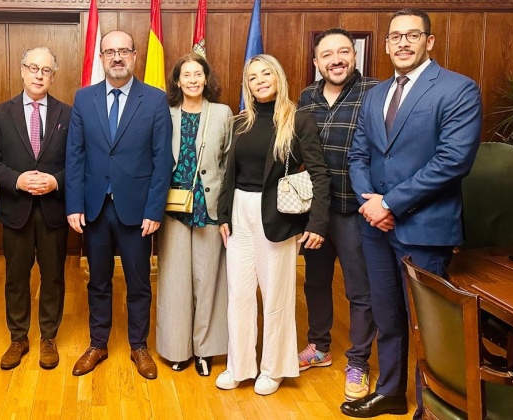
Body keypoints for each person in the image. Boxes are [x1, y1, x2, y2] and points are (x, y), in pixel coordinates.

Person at [341, 8, 482, 418]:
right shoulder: (375, 93)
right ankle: (390, 392)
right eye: (395, 37)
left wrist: (390, 203)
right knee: (387, 316)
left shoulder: (457, 89)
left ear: (429, 41)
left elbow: (452, 161)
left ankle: (431, 407)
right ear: (385, 44)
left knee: (428, 325)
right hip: (375, 228)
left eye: (412, 36)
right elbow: (359, 154)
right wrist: (371, 201)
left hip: (424, 229)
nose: (402, 43)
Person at [215, 54, 330, 396]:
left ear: (279, 78)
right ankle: (239, 366)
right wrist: (222, 216)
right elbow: (227, 175)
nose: (260, 80)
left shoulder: (299, 120)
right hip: (239, 215)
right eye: (253, 77)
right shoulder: (239, 123)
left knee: (276, 297)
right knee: (238, 296)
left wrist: (318, 223)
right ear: (247, 86)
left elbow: (319, 174)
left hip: (277, 217)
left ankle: (274, 368)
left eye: (267, 74)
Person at [65, 30, 173, 380]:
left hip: (137, 210)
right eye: (109, 51)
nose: (116, 57)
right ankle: (98, 344)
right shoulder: (84, 99)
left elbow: (162, 161)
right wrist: (73, 204)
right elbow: (75, 155)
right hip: (94, 207)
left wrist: (154, 210)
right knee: (98, 280)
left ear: (135, 55)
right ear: (100, 57)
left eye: (123, 51)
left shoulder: (155, 100)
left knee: (139, 282)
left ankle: (138, 346)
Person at [297, 28, 379, 401]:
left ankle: (359, 361)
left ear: (354, 55)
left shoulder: (375, 93)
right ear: (316, 62)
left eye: (343, 51)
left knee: (360, 290)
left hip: (355, 210)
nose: (336, 59)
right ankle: (319, 346)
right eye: (327, 54)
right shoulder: (306, 98)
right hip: (316, 211)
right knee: (315, 282)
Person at [0, 47, 71, 370]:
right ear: (22, 70)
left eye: (46, 70)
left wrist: (56, 182)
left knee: (53, 277)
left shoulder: (68, 115)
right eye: (33, 68)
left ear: (53, 75)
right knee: (16, 279)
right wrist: (17, 180)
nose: (39, 75)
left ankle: (48, 337)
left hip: (53, 212)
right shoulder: (1, 114)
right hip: (15, 212)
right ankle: (18, 337)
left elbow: (78, 162)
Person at [155, 53, 232, 377]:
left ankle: (205, 350)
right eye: (186, 74)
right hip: (172, 210)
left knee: (209, 281)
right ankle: (177, 349)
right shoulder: (165, 114)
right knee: (174, 282)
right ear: (176, 80)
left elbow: (229, 163)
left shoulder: (223, 113)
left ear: (206, 78)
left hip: (209, 209)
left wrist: (228, 212)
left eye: (197, 73)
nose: (192, 80)